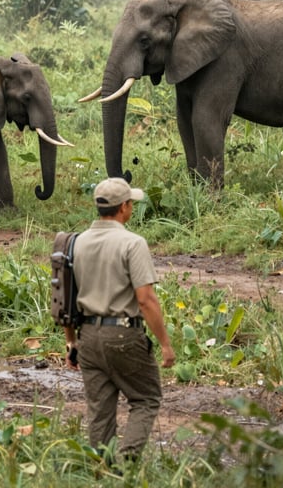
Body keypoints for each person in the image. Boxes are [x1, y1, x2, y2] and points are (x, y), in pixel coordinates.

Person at [63, 177, 175, 469]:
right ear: (124, 207)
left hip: (87, 336)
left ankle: (101, 469)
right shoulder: (132, 243)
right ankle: (126, 464)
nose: (132, 209)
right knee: (146, 399)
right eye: (131, 204)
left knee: (100, 411)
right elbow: (146, 299)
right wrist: (165, 343)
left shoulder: (77, 243)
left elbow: (63, 296)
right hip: (124, 334)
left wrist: (71, 341)